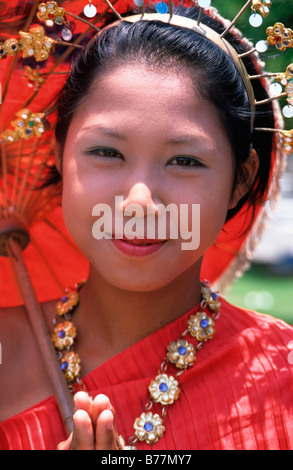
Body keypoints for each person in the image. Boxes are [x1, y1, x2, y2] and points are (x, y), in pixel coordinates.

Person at [0, 0, 292, 450]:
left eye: (184, 161)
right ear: (58, 153)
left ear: (241, 179)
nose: (139, 202)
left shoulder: (282, 379)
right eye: (107, 152)